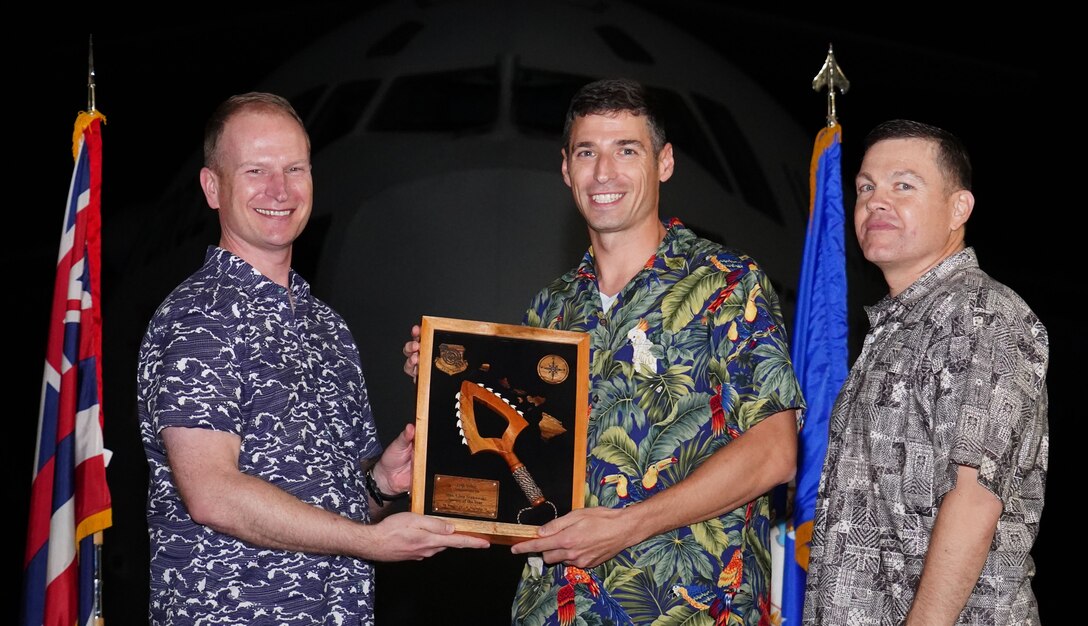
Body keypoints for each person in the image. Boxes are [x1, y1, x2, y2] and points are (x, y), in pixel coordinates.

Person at [403, 78, 804, 625]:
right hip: (557, 607)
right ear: (566, 169)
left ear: (664, 163)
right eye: (587, 152)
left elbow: (773, 453)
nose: (604, 173)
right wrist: (443, 377)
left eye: (627, 150)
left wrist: (630, 525)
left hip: (689, 608)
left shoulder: (726, 284)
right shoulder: (552, 307)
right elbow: (525, 453)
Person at [136, 92, 489, 626]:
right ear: (213, 187)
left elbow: (348, 503)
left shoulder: (327, 328)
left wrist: (382, 482)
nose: (279, 190)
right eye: (255, 170)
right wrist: (368, 542)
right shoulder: (200, 318)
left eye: (294, 168)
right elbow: (212, 494)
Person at [802, 120, 1049, 625]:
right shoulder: (898, 326)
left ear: (959, 208)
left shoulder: (980, 315)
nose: (875, 201)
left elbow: (974, 499)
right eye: (866, 187)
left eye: (903, 185)